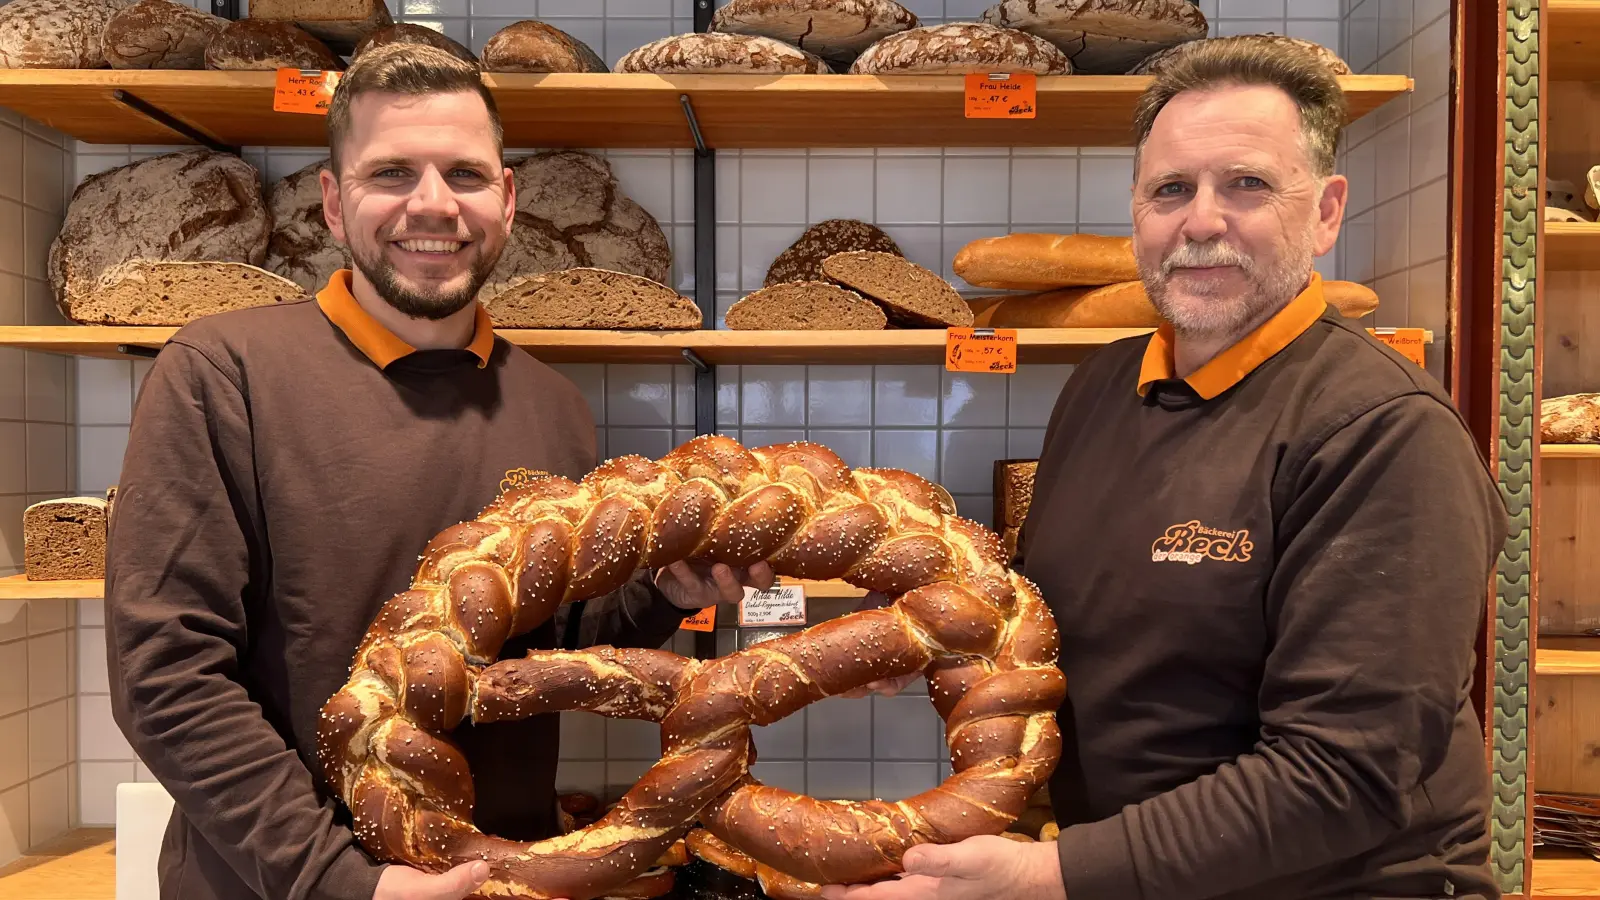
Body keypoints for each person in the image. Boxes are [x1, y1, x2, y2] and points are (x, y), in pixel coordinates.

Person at [822, 38, 1505, 900]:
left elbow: (1345, 775)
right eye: (1171, 190)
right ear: (1137, 213)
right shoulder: (1104, 384)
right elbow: (1063, 620)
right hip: (1128, 874)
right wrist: (931, 641)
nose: (1203, 221)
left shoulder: (1384, 432)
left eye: (1247, 184)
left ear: (1327, 212)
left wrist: (1048, 874)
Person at [104, 43, 772, 900]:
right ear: (336, 205)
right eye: (392, 172)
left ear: (506, 199)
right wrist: (342, 880)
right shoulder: (221, 371)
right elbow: (167, 676)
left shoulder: (552, 402)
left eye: (463, 173)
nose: (432, 204)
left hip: (504, 873)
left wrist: (665, 594)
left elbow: (542, 648)